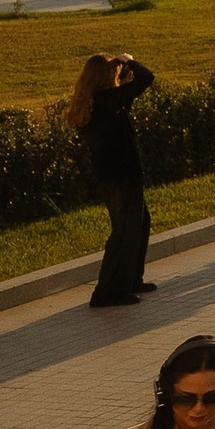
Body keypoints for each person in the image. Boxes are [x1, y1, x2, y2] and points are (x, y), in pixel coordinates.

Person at [66, 52, 158, 307]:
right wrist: (126, 59)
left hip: (116, 174)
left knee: (138, 223)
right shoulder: (106, 100)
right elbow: (147, 77)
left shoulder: (100, 101)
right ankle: (107, 292)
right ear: (105, 76)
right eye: (113, 70)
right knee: (124, 231)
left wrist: (123, 83)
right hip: (121, 175)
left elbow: (122, 107)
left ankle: (130, 280)